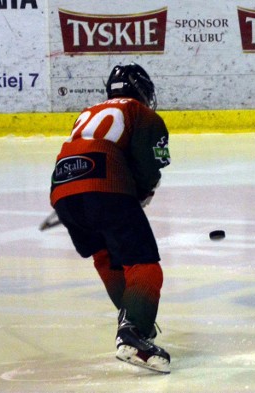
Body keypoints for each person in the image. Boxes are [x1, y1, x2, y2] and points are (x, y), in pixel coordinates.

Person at [49, 63, 171, 373]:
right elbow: (148, 169)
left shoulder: (87, 112)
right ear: (143, 91)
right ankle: (133, 332)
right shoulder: (142, 113)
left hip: (62, 189)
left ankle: (130, 315)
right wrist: (141, 192)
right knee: (144, 264)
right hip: (106, 186)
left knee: (106, 256)